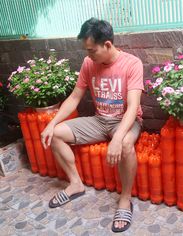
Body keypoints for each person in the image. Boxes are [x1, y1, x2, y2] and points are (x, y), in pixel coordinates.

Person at [41, 18, 144, 233]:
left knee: (125, 144)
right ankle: (75, 183)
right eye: (86, 51)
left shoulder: (132, 63)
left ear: (107, 44)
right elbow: (75, 97)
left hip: (125, 120)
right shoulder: (89, 63)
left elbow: (133, 107)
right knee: (57, 134)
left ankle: (125, 199)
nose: (88, 55)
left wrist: (117, 138)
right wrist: (52, 123)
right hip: (99, 121)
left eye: (92, 50)